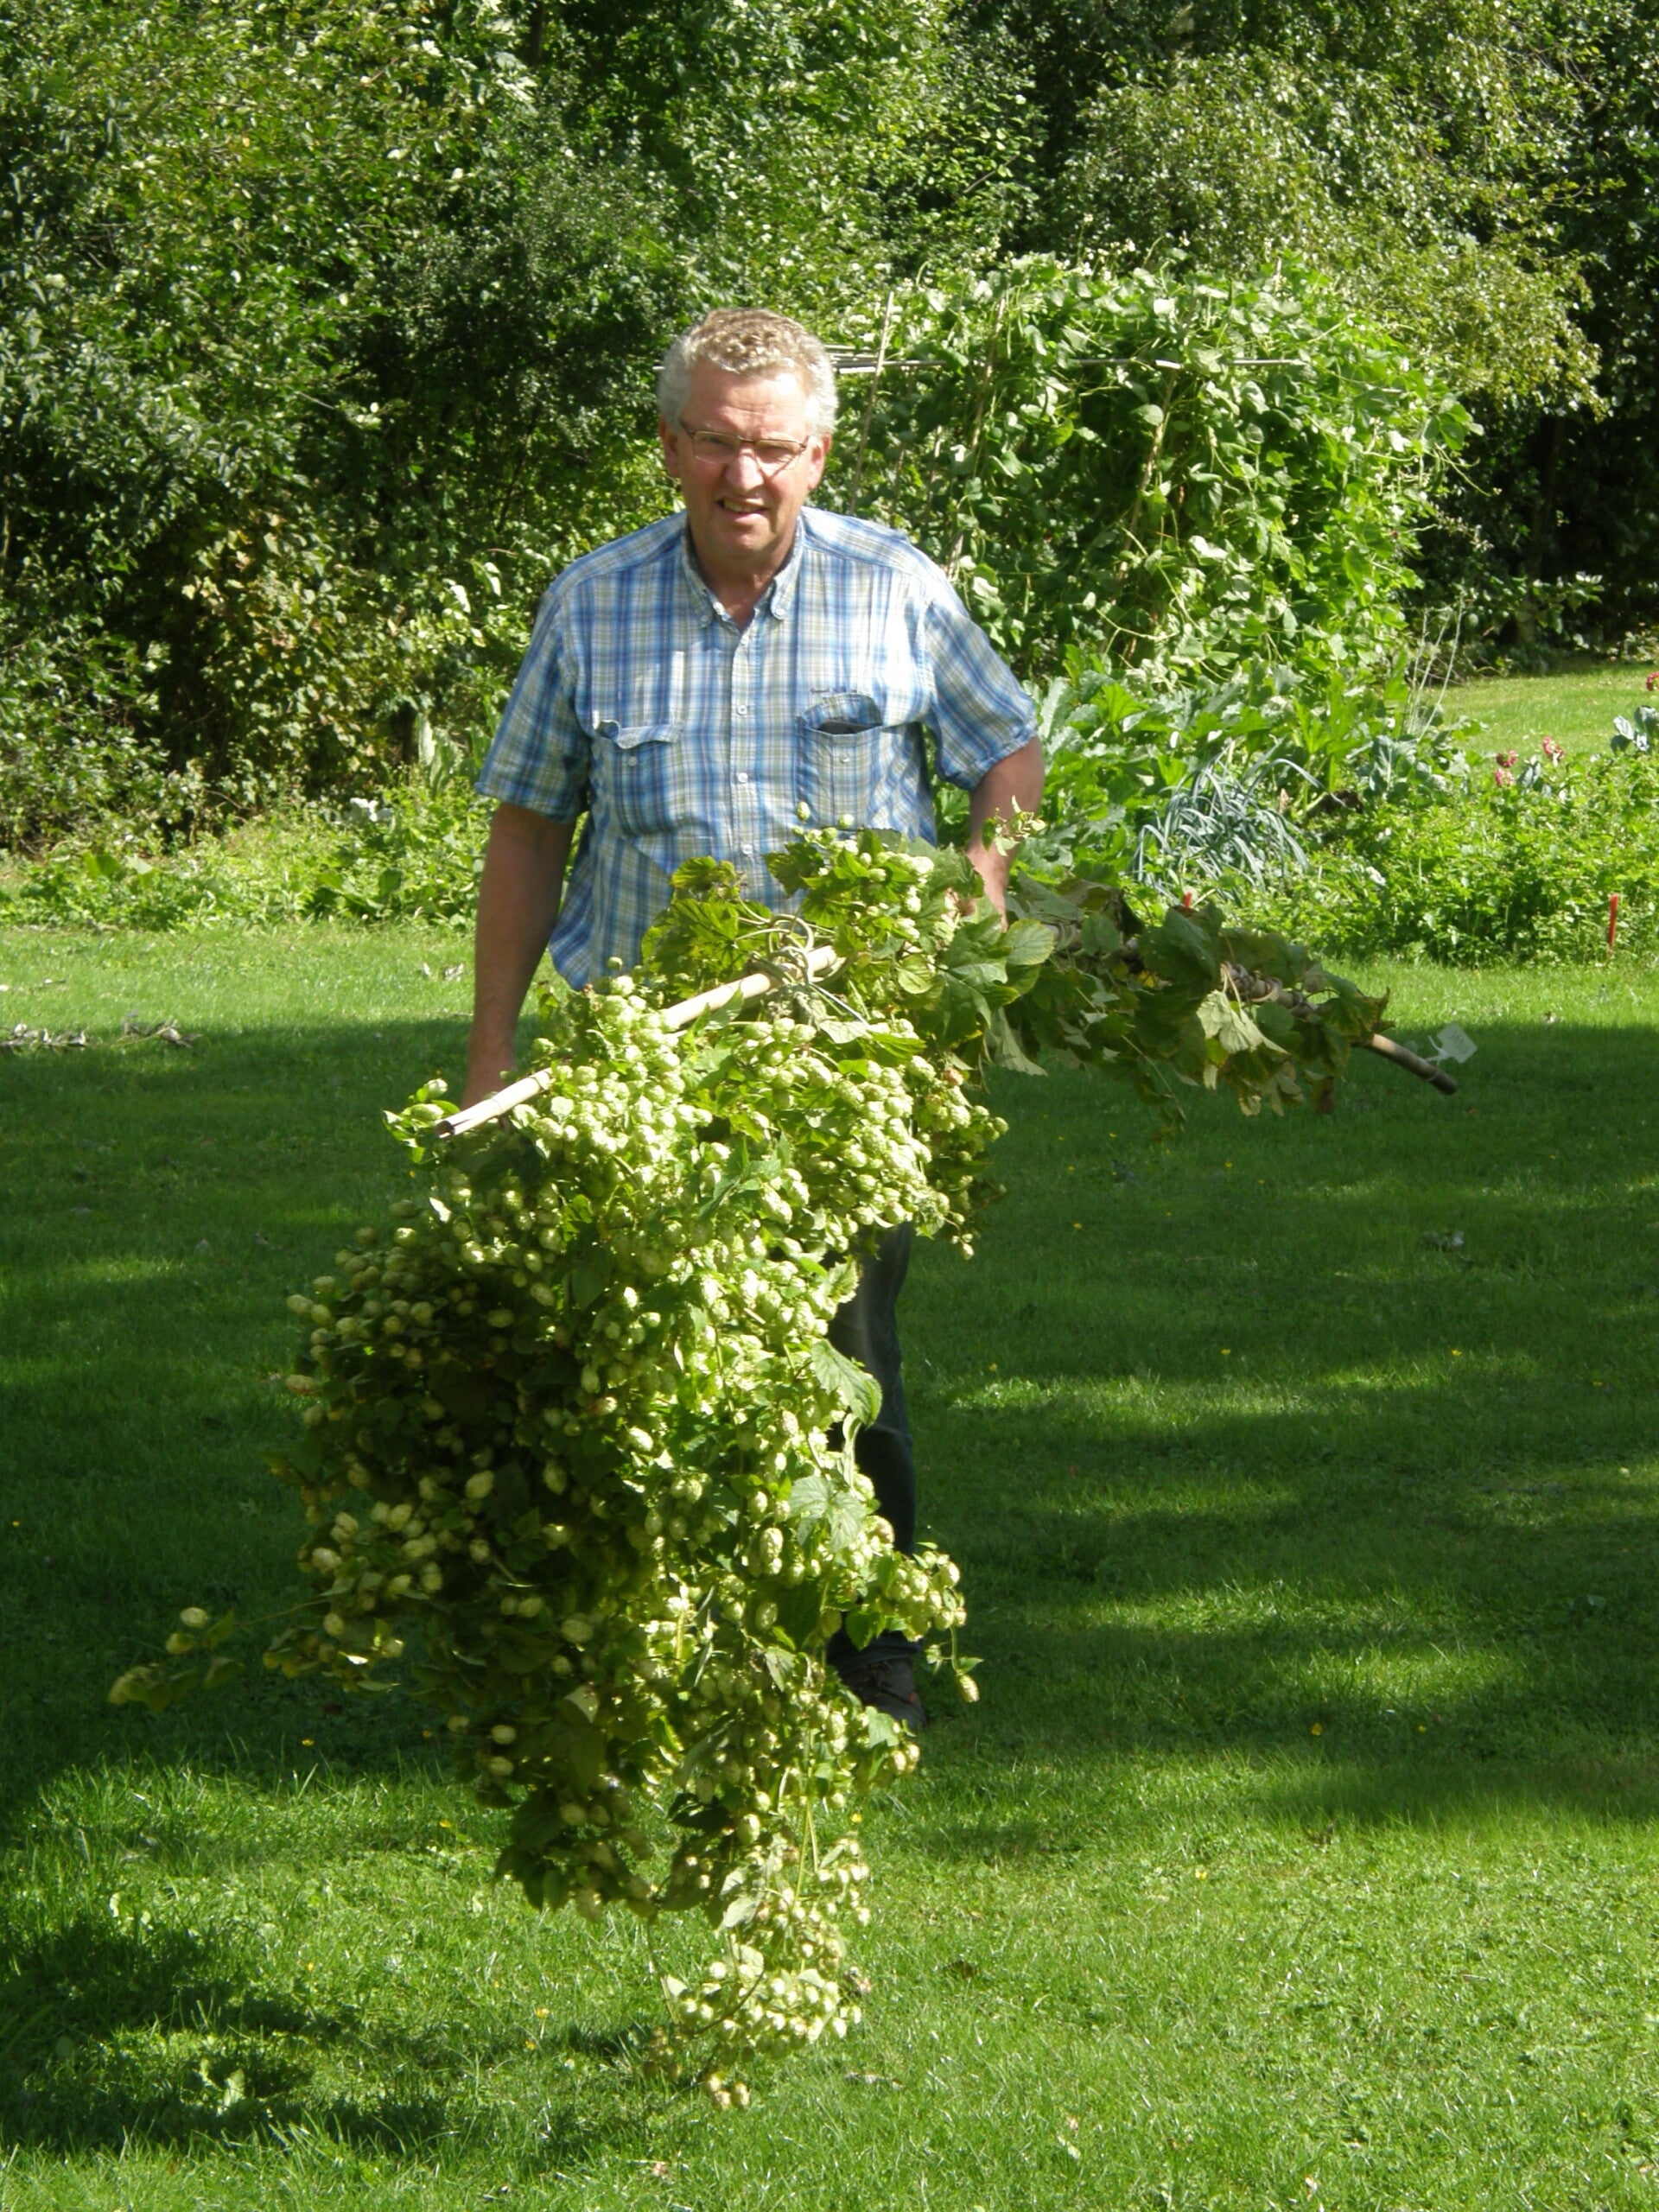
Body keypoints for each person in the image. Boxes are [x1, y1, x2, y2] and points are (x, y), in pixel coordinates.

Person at [462, 307, 1044, 1727]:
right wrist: (492, 1056)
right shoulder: (589, 606)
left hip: (844, 1058)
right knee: (636, 1356)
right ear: (670, 448)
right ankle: (655, 1659)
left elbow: (1005, 749)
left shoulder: (895, 590)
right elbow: (530, 831)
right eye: (716, 445)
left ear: (819, 451)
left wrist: (978, 880)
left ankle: (867, 1654)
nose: (745, 478)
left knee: (844, 1352)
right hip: (641, 1057)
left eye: (774, 448)